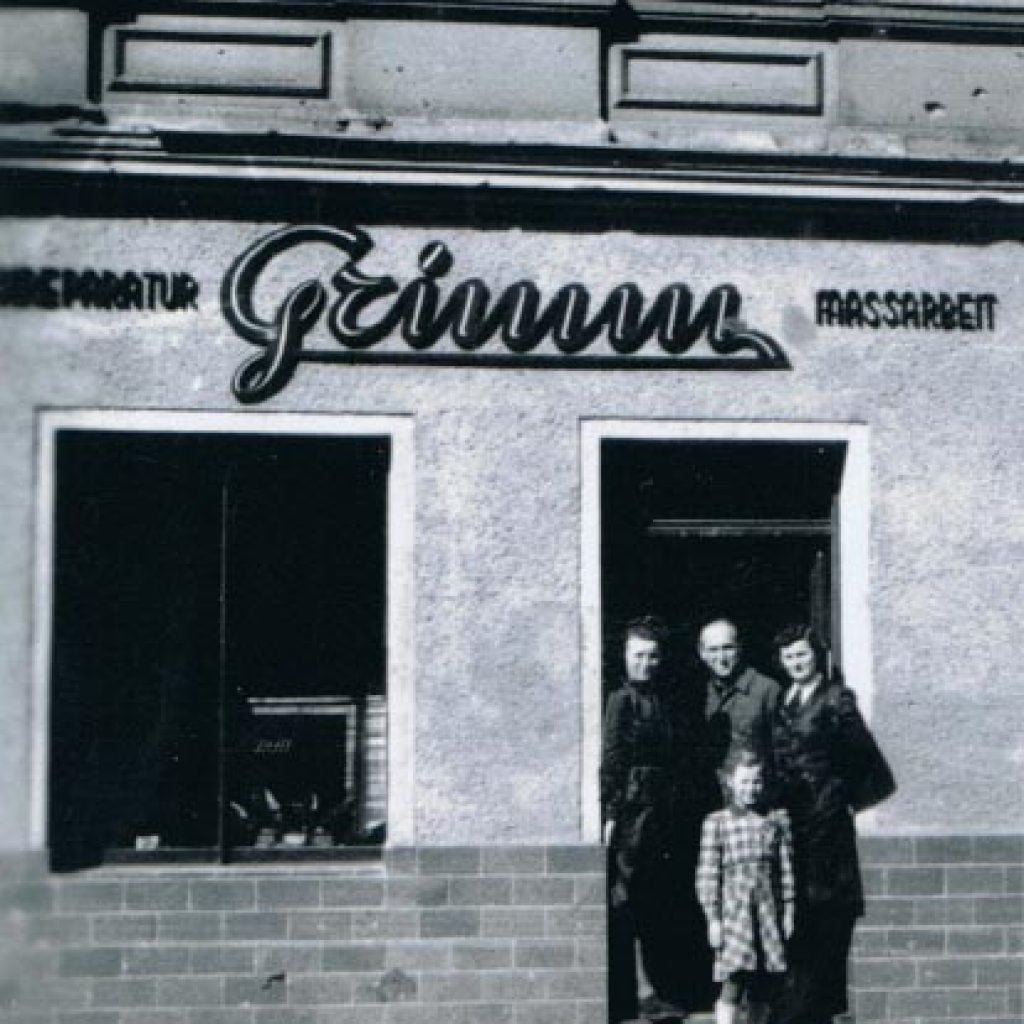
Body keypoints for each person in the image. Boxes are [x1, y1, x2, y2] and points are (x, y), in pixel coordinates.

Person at [769, 624, 896, 1024]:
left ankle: (815, 1009)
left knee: (824, 913)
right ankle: (799, 1006)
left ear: (818, 655)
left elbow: (864, 757)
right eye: (789, 657)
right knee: (800, 912)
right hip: (796, 824)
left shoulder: (836, 699)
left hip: (826, 825)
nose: (796, 663)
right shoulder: (788, 698)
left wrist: (842, 801)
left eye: (802, 655)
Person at [601, 616, 690, 1022]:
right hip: (632, 812)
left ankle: (652, 989)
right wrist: (611, 814)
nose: (646, 663)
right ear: (624, 657)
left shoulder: (659, 699)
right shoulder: (621, 700)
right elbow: (613, 759)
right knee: (627, 899)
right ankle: (636, 991)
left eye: (653, 656)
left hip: (658, 811)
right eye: (638, 655)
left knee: (652, 900)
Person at [696, 751, 795, 1024]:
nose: (751, 789)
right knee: (735, 979)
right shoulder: (717, 822)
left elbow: (785, 870)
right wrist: (712, 919)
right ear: (730, 782)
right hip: (734, 914)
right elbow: (707, 874)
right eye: (744, 782)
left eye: (756, 782)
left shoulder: (775, 821)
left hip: (766, 914)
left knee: (762, 982)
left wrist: (788, 910)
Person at [696, 619, 781, 805]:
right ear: (701, 653)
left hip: (756, 803)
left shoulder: (767, 690)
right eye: (713, 649)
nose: (721, 657)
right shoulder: (696, 693)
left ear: (739, 648)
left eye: (728, 648)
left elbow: (782, 754)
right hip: (711, 804)